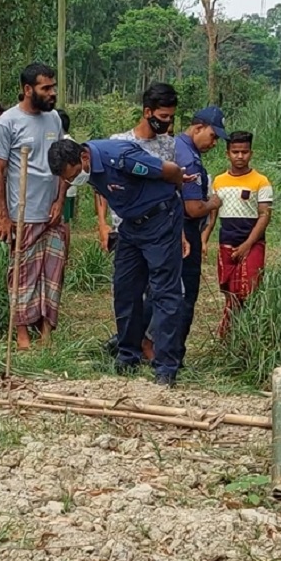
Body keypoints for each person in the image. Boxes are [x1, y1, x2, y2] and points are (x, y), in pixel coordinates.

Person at [47, 138, 194, 387]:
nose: (71, 181)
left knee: (164, 292)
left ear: (83, 158)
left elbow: (167, 170)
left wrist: (179, 185)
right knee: (125, 290)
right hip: (130, 227)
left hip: (160, 220)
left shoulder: (120, 157)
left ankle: (166, 367)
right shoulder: (87, 167)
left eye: (72, 174)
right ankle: (128, 355)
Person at [97, 83, 180, 360]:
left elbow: (173, 186)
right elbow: (103, 187)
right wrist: (103, 224)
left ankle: (148, 344)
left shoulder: (168, 145)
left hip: (160, 226)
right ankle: (128, 348)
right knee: (128, 291)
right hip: (125, 228)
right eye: (164, 117)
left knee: (163, 291)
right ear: (148, 112)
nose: (167, 123)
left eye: (171, 117)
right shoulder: (120, 142)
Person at [0, 63, 67, 350]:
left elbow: (62, 163)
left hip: (52, 214)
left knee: (52, 273)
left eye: (53, 87)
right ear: (27, 89)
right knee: (22, 275)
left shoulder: (55, 119)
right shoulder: (7, 122)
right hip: (22, 212)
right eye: (46, 88)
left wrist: (60, 200)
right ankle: (22, 335)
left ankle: (46, 333)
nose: (52, 93)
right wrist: (2, 215)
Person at [172, 107, 226, 364]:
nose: (214, 143)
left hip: (167, 230)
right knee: (185, 294)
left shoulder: (174, 146)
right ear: (198, 127)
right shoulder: (189, 159)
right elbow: (193, 208)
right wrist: (212, 204)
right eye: (213, 136)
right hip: (185, 231)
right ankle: (174, 353)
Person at [206, 131, 273, 337]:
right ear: (228, 154)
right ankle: (231, 336)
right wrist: (204, 237)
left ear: (251, 153)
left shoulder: (261, 181)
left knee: (249, 291)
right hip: (226, 243)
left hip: (253, 244)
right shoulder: (218, 181)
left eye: (244, 152)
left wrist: (247, 245)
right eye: (235, 152)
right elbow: (212, 213)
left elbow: (264, 216)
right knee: (230, 293)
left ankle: (246, 334)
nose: (240, 156)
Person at [57, 109, 78, 224]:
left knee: (62, 223)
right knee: (65, 223)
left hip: (64, 191)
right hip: (70, 190)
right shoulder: (72, 142)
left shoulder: (62, 145)